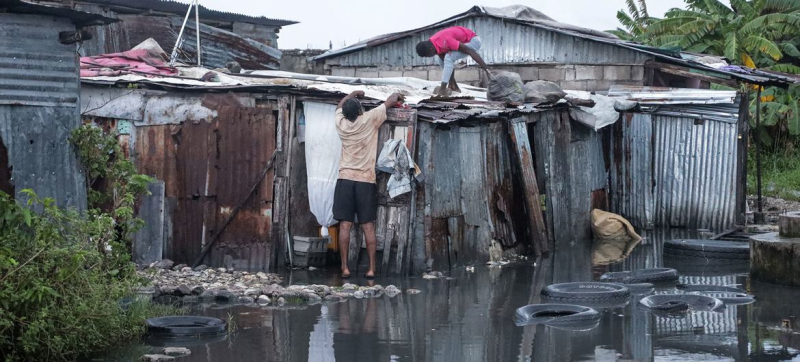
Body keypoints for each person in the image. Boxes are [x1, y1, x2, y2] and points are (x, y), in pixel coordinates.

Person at [334, 90, 405, 278]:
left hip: (345, 179)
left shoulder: (341, 124)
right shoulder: (369, 119)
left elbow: (339, 107)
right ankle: (372, 269)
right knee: (368, 226)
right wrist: (397, 94)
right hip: (365, 180)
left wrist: (351, 94)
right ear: (359, 112)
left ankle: (345, 268)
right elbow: (390, 101)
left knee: (344, 226)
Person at [415, 26, 490, 96]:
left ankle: (443, 88)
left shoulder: (446, 40)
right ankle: (453, 86)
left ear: (431, 49)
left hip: (473, 41)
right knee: (442, 60)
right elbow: (448, 66)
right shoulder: (434, 44)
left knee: (449, 57)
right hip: (463, 42)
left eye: (428, 56)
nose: (429, 57)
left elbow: (470, 51)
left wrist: (487, 70)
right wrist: (451, 82)